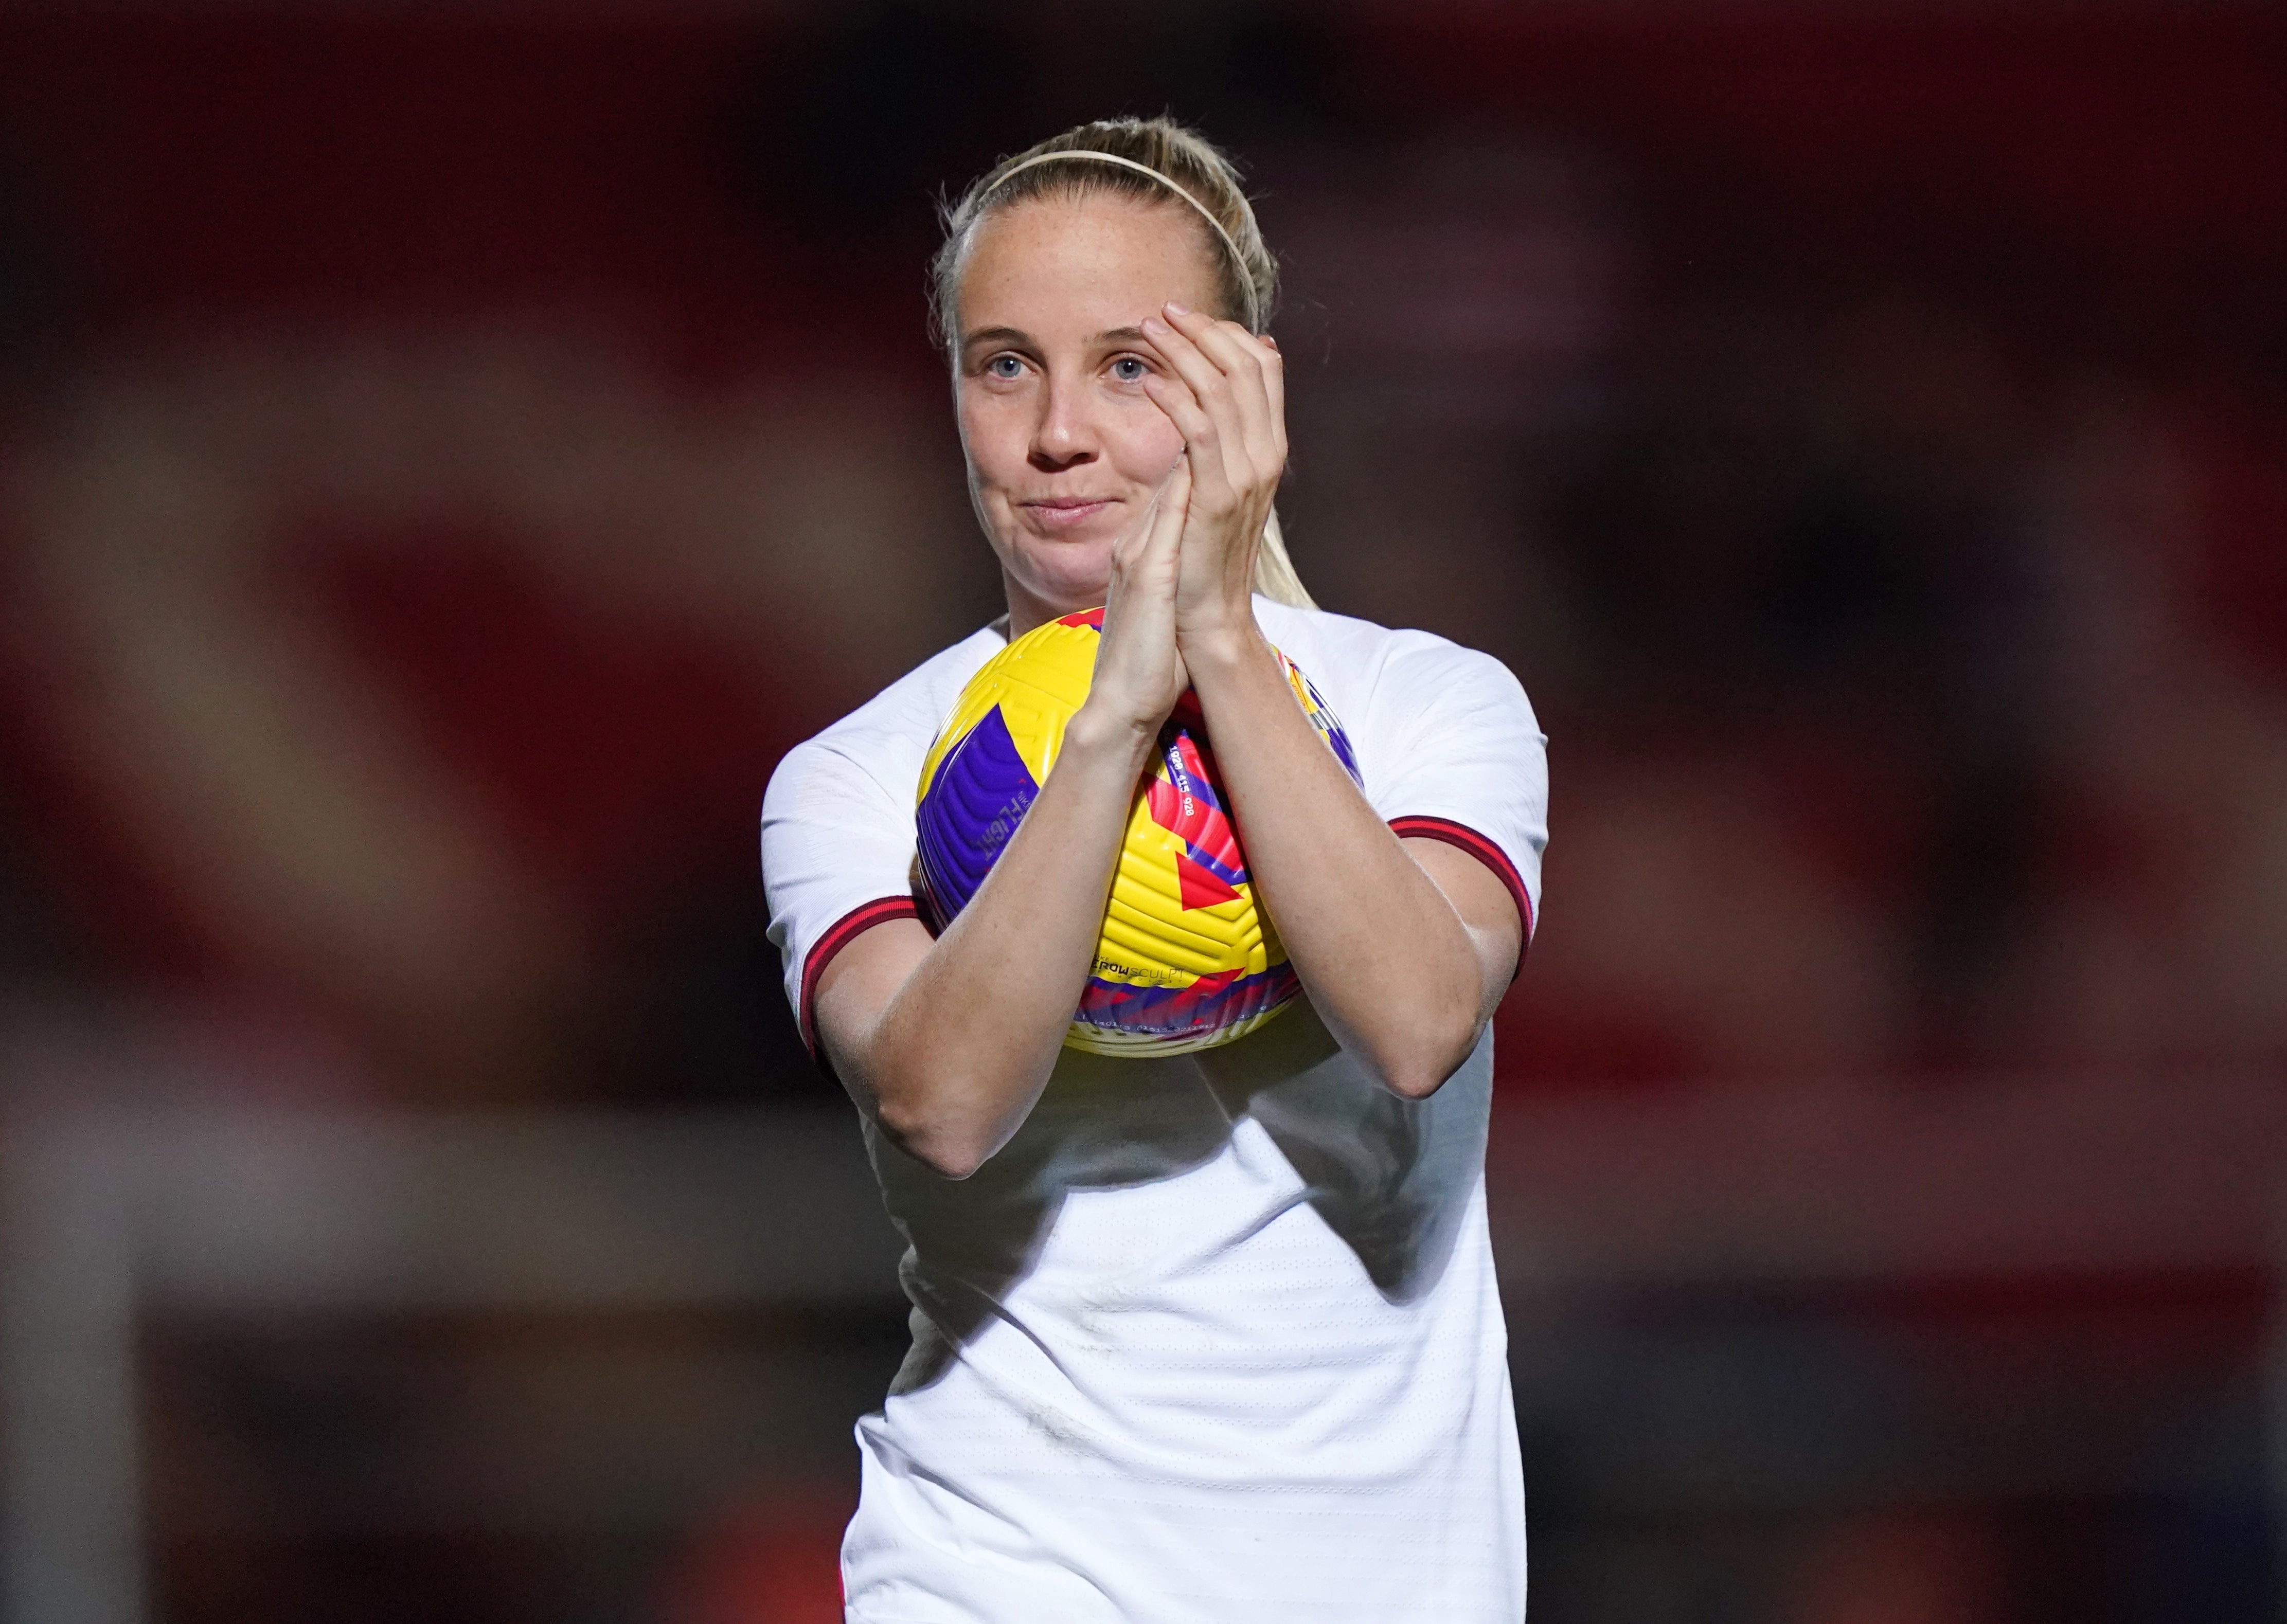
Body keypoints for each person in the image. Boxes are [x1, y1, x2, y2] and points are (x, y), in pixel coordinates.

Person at [761, 116, 1547, 1622]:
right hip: (997, 1578)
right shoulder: (856, 774)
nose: (1059, 432)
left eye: (1130, 365)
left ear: (1240, 385)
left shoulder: (1431, 707)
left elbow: (1416, 1021)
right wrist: (1117, 708)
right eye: (1004, 364)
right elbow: (943, 1102)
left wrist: (1214, 641)